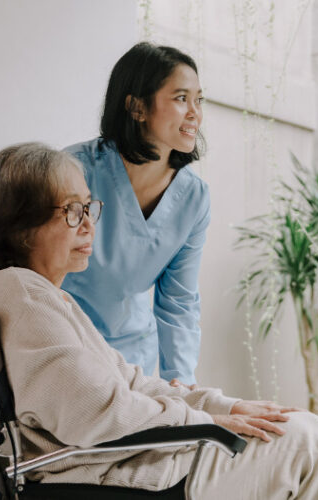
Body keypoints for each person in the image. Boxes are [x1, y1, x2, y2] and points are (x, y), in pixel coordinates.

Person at [0, 142, 318, 498]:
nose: (88, 223)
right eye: (71, 210)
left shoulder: (36, 295)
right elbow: (100, 413)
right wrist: (209, 422)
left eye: (88, 207)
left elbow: (129, 382)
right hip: (117, 476)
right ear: (19, 225)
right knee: (306, 442)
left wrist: (223, 405)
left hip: (126, 463)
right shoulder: (27, 297)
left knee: (299, 430)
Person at [63, 42, 210, 386]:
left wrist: (181, 382)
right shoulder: (73, 170)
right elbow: (28, 263)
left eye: (198, 100)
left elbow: (179, 301)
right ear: (136, 107)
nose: (195, 113)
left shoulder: (194, 197)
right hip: (66, 349)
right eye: (180, 98)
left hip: (134, 365)